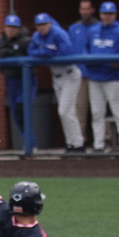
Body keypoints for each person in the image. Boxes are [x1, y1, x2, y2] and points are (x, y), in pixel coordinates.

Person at [86, 1, 119, 154]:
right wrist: (88, 62)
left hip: (113, 78)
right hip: (95, 78)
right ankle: (98, 146)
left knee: (118, 112)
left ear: (115, 15)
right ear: (100, 14)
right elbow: (84, 49)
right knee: (97, 113)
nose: (107, 16)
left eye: (110, 14)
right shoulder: (93, 31)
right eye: (105, 14)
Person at [28, 13, 85, 154]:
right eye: (39, 25)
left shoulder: (59, 33)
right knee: (66, 112)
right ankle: (72, 144)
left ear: (50, 24)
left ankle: (78, 144)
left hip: (70, 74)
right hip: (56, 77)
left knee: (64, 111)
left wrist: (44, 52)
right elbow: (31, 51)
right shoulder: (37, 36)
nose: (42, 28)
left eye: (44, 24)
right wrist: (48, 52)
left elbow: (66, 52)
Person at [0, 14, 37, 150]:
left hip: (26, 80)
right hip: (11, 80)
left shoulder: (25, 41)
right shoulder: (0, 40)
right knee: (16, 114)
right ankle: (29, 143)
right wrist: (4, 52)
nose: (11, 30)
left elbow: (33, 58)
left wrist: (11, 53)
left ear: (19, 29)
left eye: (14, 28)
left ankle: (31, 144)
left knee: (22, 109)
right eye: (9, 27)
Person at [69, 0, 99, 144]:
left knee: (98, 109)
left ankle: (104, 140)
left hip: (97, 74)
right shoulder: (73, 28)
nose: (85, 12)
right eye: (83, 9)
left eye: (87, 9)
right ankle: (81, 141)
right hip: (79, 74)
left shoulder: (100, 27)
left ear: (92, 10)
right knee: (79, 109)